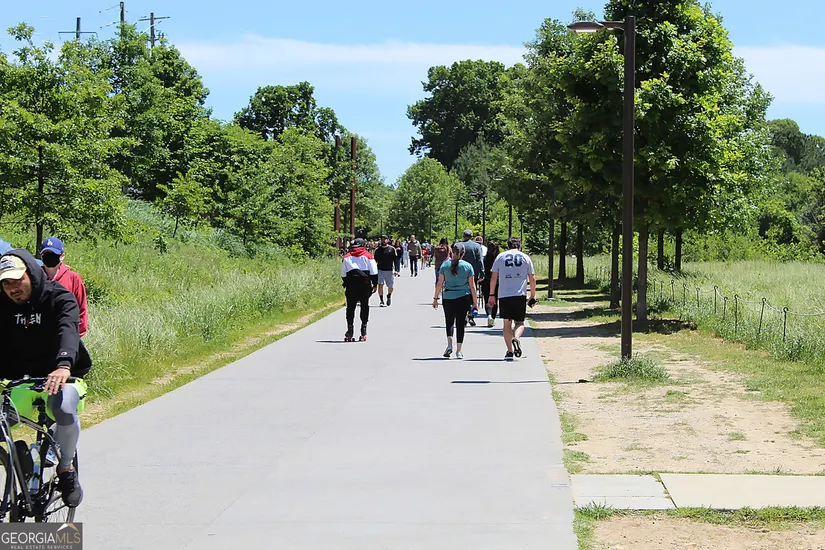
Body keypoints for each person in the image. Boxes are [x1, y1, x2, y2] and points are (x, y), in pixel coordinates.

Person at [0, 249, 91, 507]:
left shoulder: (58, 297)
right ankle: (21, 461)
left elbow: (68, 330)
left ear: (31, 273)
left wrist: (64, 364)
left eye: (18, 280)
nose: (12, 288)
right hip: (21, 379)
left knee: (62, 409)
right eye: (6, 283)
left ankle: (65, 469)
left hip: (63, 376)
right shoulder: (2, 305)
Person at [488, 237, 537, 361]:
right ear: (520, 246)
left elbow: (493, 277)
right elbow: (532, 278)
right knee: (520, 322)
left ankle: (509, 351)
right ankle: (517, 338)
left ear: (508, 245)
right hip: (519, 295)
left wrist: (492, 294)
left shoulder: (500, 257)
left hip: (504, 294)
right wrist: (532, 295)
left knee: (507, 323)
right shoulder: (525, 257)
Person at [433, 243, 477, 359]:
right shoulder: (468, 266)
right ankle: (459, 350)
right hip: (463, 297)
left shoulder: (445, 265)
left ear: (451, 252)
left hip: (448, 297)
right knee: (460, 324)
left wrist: (435, 298)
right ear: (463, 253)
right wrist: (475, 302)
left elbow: (439, 283)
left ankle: (449, 345)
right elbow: (472, 286)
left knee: (449, 322)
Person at [40, 237, 89, 338]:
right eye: (46, 254)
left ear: (62, 256)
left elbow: (82, 309)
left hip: (66, 336)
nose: (49, 257)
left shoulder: (73, 278)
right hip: (40, 336)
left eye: (53, 254)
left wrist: (75, 336)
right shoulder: (36, 277)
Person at [341, 238, 378, 341]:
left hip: (351, 284)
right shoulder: (368, 256)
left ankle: (350, 330)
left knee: (350, 307)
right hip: (364, 284)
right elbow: (374, 272)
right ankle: (363, 329)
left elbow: (343, 274)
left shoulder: (346, 257)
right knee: (364, 305)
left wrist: (346, 282)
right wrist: (374, 284)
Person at [458, 230, 485, 326]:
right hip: (473, 273)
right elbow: (480, 260)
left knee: (461, 293)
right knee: (472, 292)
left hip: (460, 273)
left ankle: (463, 315)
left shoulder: (459, 245)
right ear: (471, 236)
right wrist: (482, 273)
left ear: (463, 236)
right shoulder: (477, 246)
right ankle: (471, 314)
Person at [481, 241, 501, 328]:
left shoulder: (485, 259)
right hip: (497, 281)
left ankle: (489, 315)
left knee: (487, 299)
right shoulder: (499, 259)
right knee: (495, 300)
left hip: (486, 281)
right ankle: (492, 318)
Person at [373, 235, 397, 307]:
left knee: (391, 286)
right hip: (380, 270)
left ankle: (389, 295)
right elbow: (374, 261)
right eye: (382, 239)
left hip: (389, 270)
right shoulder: (377, 250)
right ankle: (381, 300)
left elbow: (395, 260)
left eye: (385, 239)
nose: (383, 241)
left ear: (387, 240)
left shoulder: (392, 249)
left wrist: (396, 270)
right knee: (380, 285)